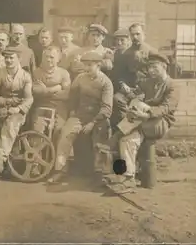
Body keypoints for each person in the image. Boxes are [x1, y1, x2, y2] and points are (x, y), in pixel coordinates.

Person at [114, 51, 179, 193]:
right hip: (142, 123)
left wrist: (145, 114)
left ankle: (117, 134)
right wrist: (124, 99)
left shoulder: (172, 85)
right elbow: (134, 93)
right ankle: (128, 178)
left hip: (160, 123)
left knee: (141, 106)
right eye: (149, 67)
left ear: (164, 67)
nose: (151, 70)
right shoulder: (148, 82)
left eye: (155, 67)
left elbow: (166, 108)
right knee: (127, 141)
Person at [47, 51, 113, 184]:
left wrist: (92, 123)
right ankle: (60, 170)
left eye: (90, 65)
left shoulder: (106, 82)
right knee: (65, 135)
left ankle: (100, 173)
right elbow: (72, 96)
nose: (87, 68)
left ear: (98, 65)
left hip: (98, 118)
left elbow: (107, 108)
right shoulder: (80, 78)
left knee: (100, 138)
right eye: (85, 65)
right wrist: (72, 112)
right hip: (80, 115)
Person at [0, 46, 33, 175]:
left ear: (18, 58)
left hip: (19, 112)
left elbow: (29, 99)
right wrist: (8, 103)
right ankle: (6, 163)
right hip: (1, 109)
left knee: (12, 122)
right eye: (6, 58)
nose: (8, 60)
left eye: (11, 58)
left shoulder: (25, 76)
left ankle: (1, 158)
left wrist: (18, 108)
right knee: (2, 124)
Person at [112, 23, 159, 126]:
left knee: (139, 106)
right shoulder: (126, 53)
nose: (135, 37)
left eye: (138, 34)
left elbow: (157, 75)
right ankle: (127, 123)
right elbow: (121, 73)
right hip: (130, 89)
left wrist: (144, 88)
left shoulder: (152, 52)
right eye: (132, 35)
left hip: (147, 90)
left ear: (144, 34)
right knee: (117, 99)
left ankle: (133, 126)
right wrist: (123, 84)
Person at [31, 46, 71, 140]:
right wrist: (55, 88)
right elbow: (35, 92)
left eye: (52, 57)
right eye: (46, 57)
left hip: (59, 108)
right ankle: (37, 154)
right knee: (37, 131)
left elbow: (66, 95)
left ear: (58, 59)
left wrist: (44, 91)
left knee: (60, 130)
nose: (48, 60)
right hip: (41, 107)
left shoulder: (63, 73)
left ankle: (57, 154)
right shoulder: (37, 72)